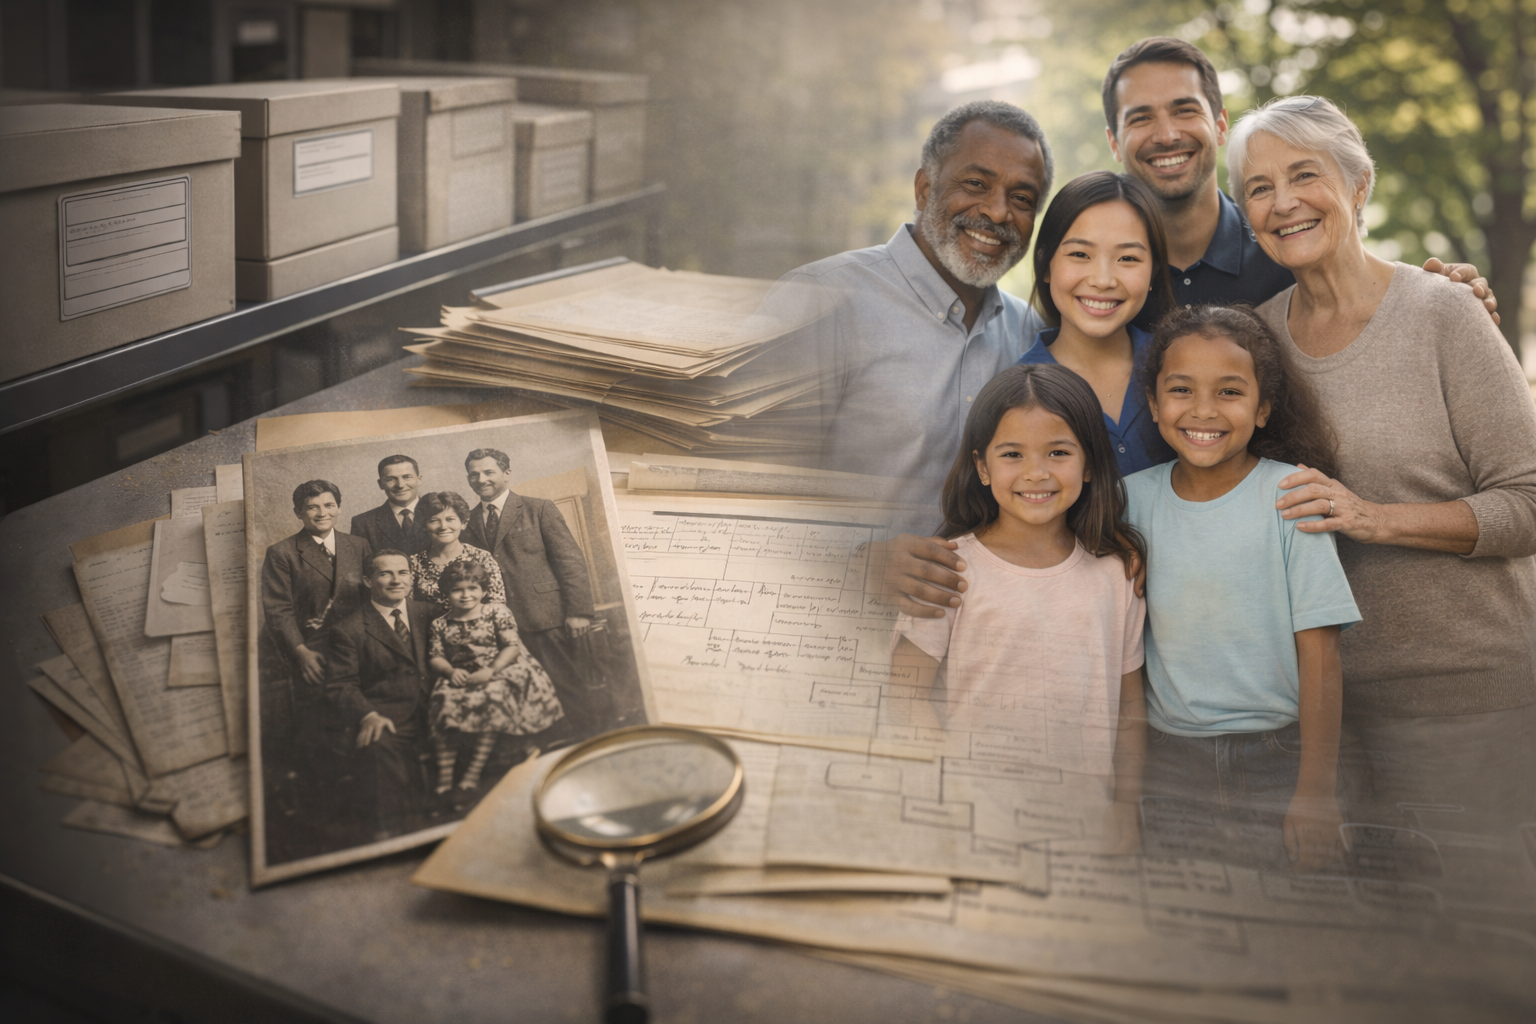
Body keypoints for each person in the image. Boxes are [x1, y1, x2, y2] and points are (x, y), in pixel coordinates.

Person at [1229, 95, 1536, 831]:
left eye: (1305, 175)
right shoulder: (1256, 343)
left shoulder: (1444, 311)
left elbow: (1528, 502)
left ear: (1358, 184)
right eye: (1259, 188)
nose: (1283, 202)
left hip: (1464, 703)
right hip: (1315, 719)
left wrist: (1374, 518)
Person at [1127, 304, 1360, 872]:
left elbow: (1322, 656)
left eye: (1229, 392)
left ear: (1263, 408)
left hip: (1280, 756)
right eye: (1181, 390)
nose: (1203, 410)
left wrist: (1315, 791)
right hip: (1169, 759)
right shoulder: (1128, 502)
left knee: (1285, 909)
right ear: (1154, 404)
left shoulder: (1292, 496)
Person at [890, 364, 1148, 845]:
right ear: (982, 467)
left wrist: (1126, 804)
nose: (1036, 473)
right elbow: (904, 695)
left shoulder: (1117, 574)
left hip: (1083, 828)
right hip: (970, 824)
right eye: (1012, 454)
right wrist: (947, 789)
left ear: (1089, 464)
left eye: (1058, 452)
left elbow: (1130, 707)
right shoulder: (948, 569)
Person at [1100, 36, 1498, 329]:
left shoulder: (1292, 245)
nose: (1167, 135)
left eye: (1185, 110)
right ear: (1114, 142)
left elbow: (1375, 302)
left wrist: (1448, 298)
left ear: (1220, 125)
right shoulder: (1098, 274)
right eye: (1141, 118)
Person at [767, 99, 1053, 497]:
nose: (997, 212)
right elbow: (748, 485)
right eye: (975, 184)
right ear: (924, 189)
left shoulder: (1032, 334)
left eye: (1021, 198)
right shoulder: (819, 302)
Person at [1017, 170, 1176, 477]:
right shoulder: (1017, 392)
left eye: (1127, 258)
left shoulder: (1180, 364)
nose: (1103, 280)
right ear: (1046, 265)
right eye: (1080, 254)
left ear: (1154, 273)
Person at [461, 447, 597, 735]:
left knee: (566, 684)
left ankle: (589, 740)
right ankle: (549, 746)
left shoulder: (539, 509)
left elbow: (570, 561)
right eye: (474, 475)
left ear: (507, 473)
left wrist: (579, 612)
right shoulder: (466, 522)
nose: (481, 479)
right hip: (499, 626)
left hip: (545, 616)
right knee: (525, 694)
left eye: (488, 472)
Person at [426, 559, 563, 796]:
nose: (465, 595)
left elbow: (511, 647)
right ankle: (445, 777)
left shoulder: (496, 612)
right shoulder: (440, 623)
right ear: (446, 593)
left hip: (499, 668)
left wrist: (490, 670)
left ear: (484, 590)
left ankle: (472, 773)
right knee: (443, 700)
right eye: (457, 589)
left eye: (472, 588)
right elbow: (436, 656)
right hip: (461, 672)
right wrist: (450, 671)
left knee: (491, 698)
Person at [325, 550, 435, 838]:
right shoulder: (348, 629)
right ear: (367, 580)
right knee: (377, 746)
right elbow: (341, 684)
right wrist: (369, 715)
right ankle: (398, 834)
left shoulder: (431, 613)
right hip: (390, 714)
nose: (396, 580)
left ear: (412, 577)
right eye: (385, 573)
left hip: (438, 707)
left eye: (403, 572)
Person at [260, 479, 371, 686]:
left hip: (356, 644)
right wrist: (301, 653)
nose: (322, 513)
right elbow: (278, 610)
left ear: (338, 508)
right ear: (298, 512)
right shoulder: (282, 552)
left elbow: (369, 597)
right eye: (312, 507)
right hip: (309, 648)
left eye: (329, 505)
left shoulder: (359, 545)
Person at [408, 490, 507, 613]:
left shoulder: (482, 558)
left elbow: (497, 605)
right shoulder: (414, 562)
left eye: (450, 519)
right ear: (424, 526)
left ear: (463, 523)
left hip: (479, 624)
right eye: (434, 520)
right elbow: (408, 607)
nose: (443, 526)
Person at [349, 455, 431, 557]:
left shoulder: (439, 513)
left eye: (407, 477)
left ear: (419, 479)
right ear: (380, 484)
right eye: (391, 479)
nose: (400, 485)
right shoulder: (363, 523)